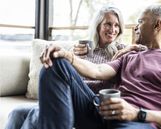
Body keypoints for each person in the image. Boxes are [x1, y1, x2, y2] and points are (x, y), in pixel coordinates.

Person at [38, 4, 161, 129]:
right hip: (102, 112)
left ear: (157, 25)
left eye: (140, 22)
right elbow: (98, 71)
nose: (135, 27)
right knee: (56, 63)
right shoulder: (130, 55)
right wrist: (68, 55)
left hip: (136, 122)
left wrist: (138, 113)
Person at [5, 5, 145, 129]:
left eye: (116, 25)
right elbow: (62, 74)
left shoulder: (122, 51)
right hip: (65, 96)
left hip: (89, 104)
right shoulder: (82, 48)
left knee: (35, 115)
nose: (113, 29)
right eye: (108, 24)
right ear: (98, 26)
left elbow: (146, 52)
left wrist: (134, 46)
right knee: (16, 113)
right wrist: (72, 54)